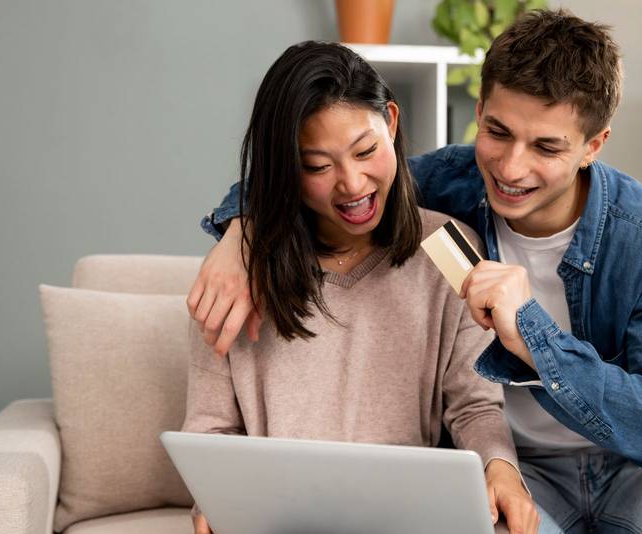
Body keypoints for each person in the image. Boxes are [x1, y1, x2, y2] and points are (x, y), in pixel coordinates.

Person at [188, 9, 642, 533]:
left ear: (593, 145)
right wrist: (241, 232)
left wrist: (536, 337)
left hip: (639, 468)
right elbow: (309, 171)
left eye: (547, 147)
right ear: (479, 114)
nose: (511, 169)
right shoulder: (440, 186)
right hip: (522, 467)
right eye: (497, 132)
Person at [182, 41, 546, 534]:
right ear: (286, 165)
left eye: (366, 151)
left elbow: (474, 405)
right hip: (278, 522)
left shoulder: (449, 249)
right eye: (317, 166)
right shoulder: (236, 274)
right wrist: (213, 496)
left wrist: (500, 469)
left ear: (391, 123)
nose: (352, 184)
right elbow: (210, 429)